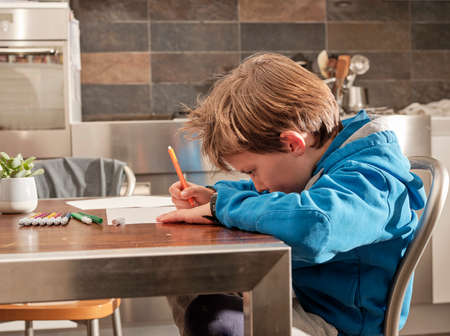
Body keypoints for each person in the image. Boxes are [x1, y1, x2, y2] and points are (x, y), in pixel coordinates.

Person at [157, 53, 426, 336]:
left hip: (338, 325)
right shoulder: (329, 162)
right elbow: (288, 197)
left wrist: (221, 206)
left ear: (292, 144)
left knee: (215, 317)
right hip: (305, 301)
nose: (256, 183)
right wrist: (214, 195)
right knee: (190, 279)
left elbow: (315, 223)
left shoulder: (371, 179)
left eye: (252, 171)